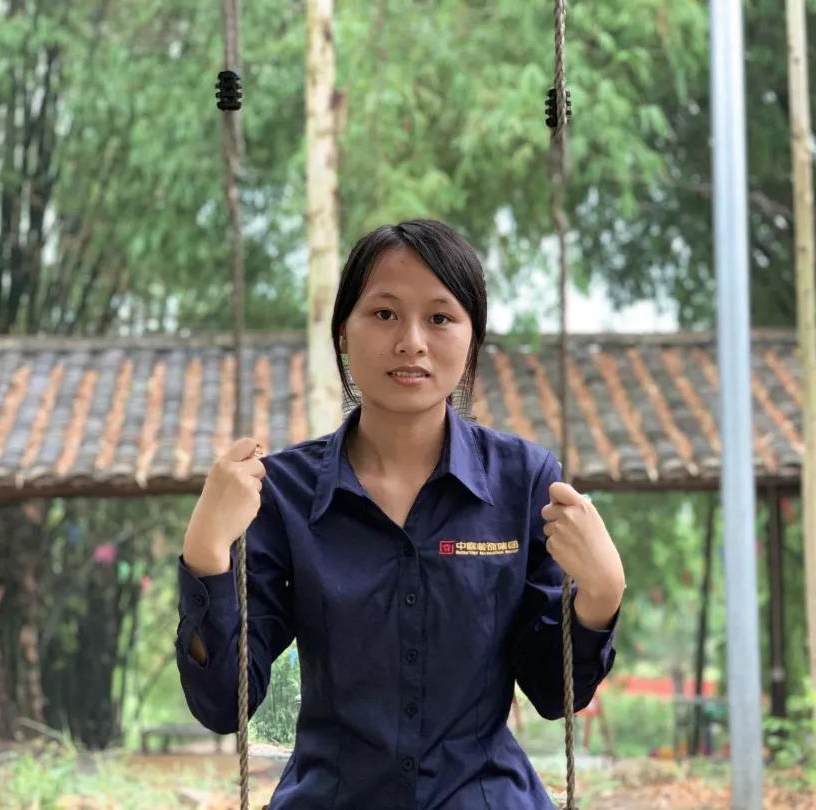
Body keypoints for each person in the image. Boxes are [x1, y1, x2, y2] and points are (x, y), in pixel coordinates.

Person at [175, 219, 626, 809]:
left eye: (440, 317)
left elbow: (553, 692)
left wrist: (602, 592)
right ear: (343, 332)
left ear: (472, 337)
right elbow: (223, 704)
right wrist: (205, 554)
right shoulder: (282, 493)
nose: (411, 341)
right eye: (384, 313)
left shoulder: (524, 481)